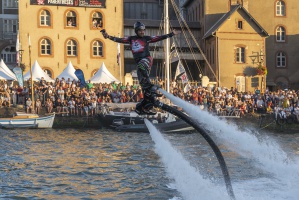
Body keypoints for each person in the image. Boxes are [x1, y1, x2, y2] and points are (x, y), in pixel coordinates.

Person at [101, 21, 181, 115]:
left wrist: (171, 34)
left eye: (143, 30)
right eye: (140, 31)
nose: (142, 32)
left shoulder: (146, 39)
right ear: (136, 31)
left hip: (146, 60)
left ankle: (151, 87)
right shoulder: (131, 39)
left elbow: (158, 38)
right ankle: (145, 107)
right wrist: (108, 36)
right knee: (143, 85)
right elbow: (119, 39)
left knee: (141, 66)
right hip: (139, 63)